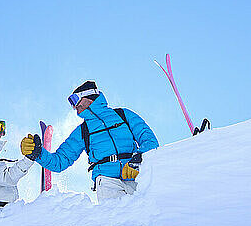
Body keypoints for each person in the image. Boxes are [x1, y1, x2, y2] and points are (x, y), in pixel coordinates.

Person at [21, 81, 159, 202]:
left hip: (136, 175)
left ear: (89, 96)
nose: (75, 107)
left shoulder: (123, 115)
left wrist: (137, 159)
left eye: (75, 100)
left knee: (146, 220)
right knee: (119, 223)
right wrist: (38, 153)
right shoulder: (83, 131)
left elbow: (149, 140)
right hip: (106, 181)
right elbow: (60, 161)